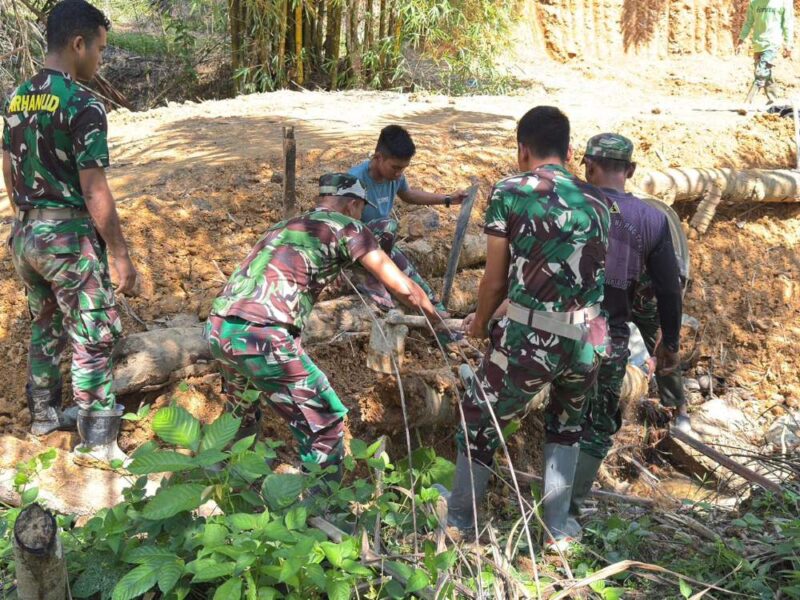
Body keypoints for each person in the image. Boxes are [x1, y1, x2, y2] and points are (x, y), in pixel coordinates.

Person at [434, 106, 610, 550]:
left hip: (534, 340)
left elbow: (495, 279)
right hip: (590, 339)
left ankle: (460, 520)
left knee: (478, 417)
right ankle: (558, 529)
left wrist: (479, 324)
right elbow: (567, 278)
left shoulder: (511, 191)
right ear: (570, 151)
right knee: (567, 424)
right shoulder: (597, 201)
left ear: (522, 150)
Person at [206, 173, 439, 485]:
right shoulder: (350, 228)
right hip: (265, 336)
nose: (361, 216)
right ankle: (325, 506)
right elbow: (405, 289)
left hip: (219, 328)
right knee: (325, 423)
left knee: (241, 409)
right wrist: (437, 322)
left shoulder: (287, 226)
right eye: (361, 210)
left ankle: (219, 482)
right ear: (353, 205)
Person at [2, 0, 137, 463]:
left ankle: (43, 416)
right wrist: (119, 254)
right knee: (93, 332)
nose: (100, 59)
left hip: (26, 236)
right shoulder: (83, 104)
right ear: (78, 44)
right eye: (100, 49)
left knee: (44, 325)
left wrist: (24, 219)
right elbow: (94, 189)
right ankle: (98, 441)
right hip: (67, 240)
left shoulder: (17, 98)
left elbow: (9, 167)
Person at [568, 134, 684, 536]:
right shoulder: (652, 219)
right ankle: (568, 511)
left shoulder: (569, 202)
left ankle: (539, 498)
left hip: (556, 327)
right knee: (598, 424)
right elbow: (669, 288)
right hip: (608, 336)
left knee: (560, 415)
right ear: (630, 170)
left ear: (587, 165)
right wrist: (670, 344)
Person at [348, 125, 468, 315]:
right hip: (358, 249)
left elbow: (409, 195)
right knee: (387, 226)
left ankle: (442, 319)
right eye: (395, 167)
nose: (399, 173)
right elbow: (342, 225)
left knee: (418, 285)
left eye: (403, 169)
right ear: (378, 157)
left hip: (382, 247)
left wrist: (447, 199)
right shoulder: (354, 180)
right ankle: (370, 278)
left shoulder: (395, 177)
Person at [737, 0, 794, 103]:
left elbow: (787, 24)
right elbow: (748, 22)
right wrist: (741, 40)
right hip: (758, 44)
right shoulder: (754, 3)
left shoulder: (784, 2)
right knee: (765, 74)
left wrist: (788, 43)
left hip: (772, 43)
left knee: (761, 73)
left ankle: (747, 102)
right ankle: (774, 101)